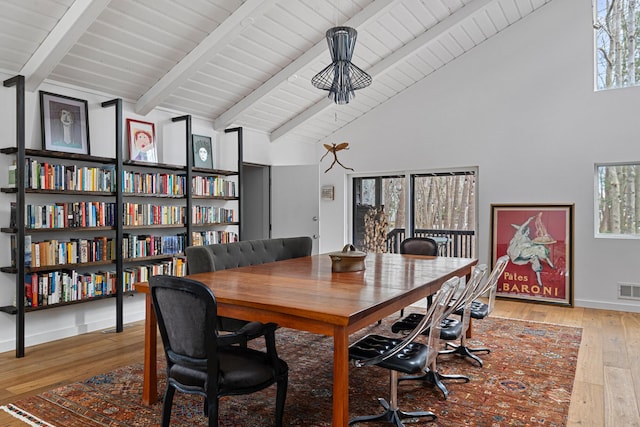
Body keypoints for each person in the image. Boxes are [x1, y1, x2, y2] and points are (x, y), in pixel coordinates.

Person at [506, 214, 555, 286]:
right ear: (523, 231)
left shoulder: (527, 239)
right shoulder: (519, 236)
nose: (528, 233)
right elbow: (521, 228)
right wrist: (528, 221)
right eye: (527, 231)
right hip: (521, 253)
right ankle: (550, 264)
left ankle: (539, 279)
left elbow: (531, 244)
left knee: (535, 257)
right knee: (539, 248)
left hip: (527, 253)